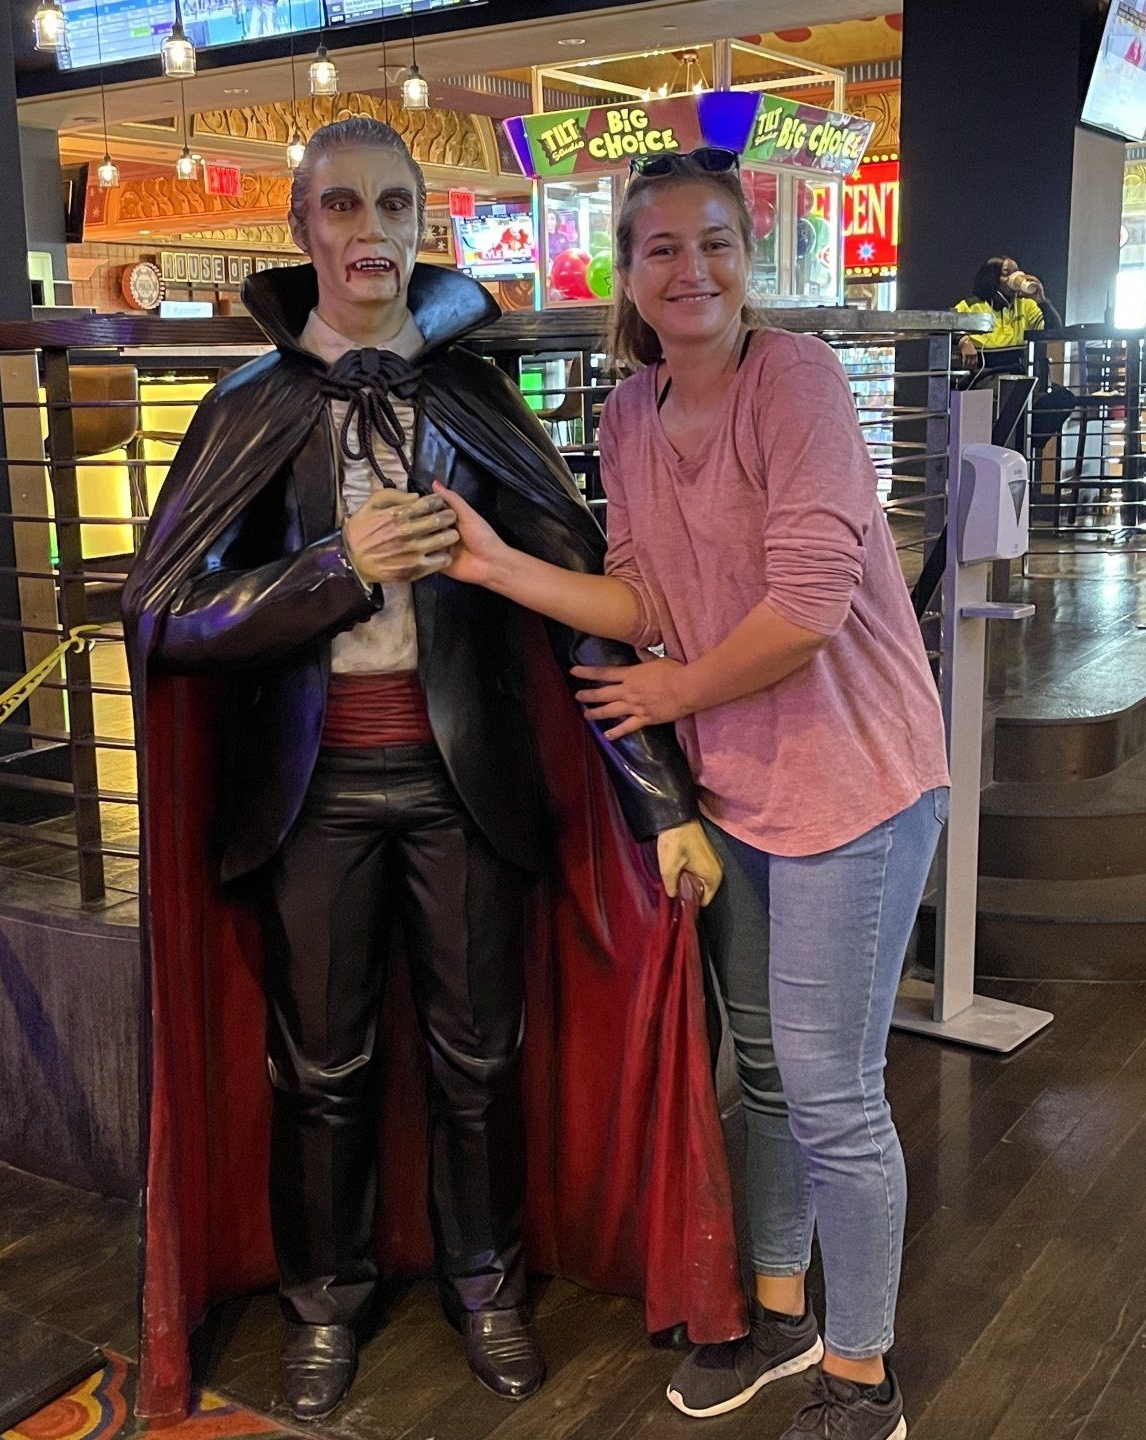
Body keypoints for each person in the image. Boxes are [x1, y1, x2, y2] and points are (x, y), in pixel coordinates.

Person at [120, 117, 738, 1424]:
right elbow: (166, 615)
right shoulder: (247, 409)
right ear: (304, 230)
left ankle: (486, 1286)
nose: (367, 232)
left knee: (478, 1056)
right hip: (309, 796)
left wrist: (664, 806)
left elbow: (583, 600)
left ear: (418, 228)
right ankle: (324, 1303)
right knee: (321, 1068)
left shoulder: (476, 403)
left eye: (392, 206)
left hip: (466, 785)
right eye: (340, 206)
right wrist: (338, 569)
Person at [438, 148, 948, 1440]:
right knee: (767, 1070)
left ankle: (864, 1377)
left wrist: (668, 698)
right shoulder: (627, 413)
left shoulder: (798, 381)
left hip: (857, 781)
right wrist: (499, 568)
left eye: (715, 241)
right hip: (742, 786)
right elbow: (644, 601)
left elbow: (810, 611)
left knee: (833, 1085)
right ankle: (781, 1313)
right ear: (627, 270)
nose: (692, 268)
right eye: (661, 246)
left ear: (749, 258)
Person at [956, 255, 1077, 457]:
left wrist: (1042, 300)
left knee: (1062, 398)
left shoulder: (1026, 306)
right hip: (984, 377)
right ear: (993, 278)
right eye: (1008, 273)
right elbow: (948, 326)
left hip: (1018, 377)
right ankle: (1009, 448)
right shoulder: (972, 306)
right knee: (1015, 400)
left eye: (1017, 270)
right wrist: (964, 341)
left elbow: (1054, 332)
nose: (1015, 276)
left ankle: (1024, 444)